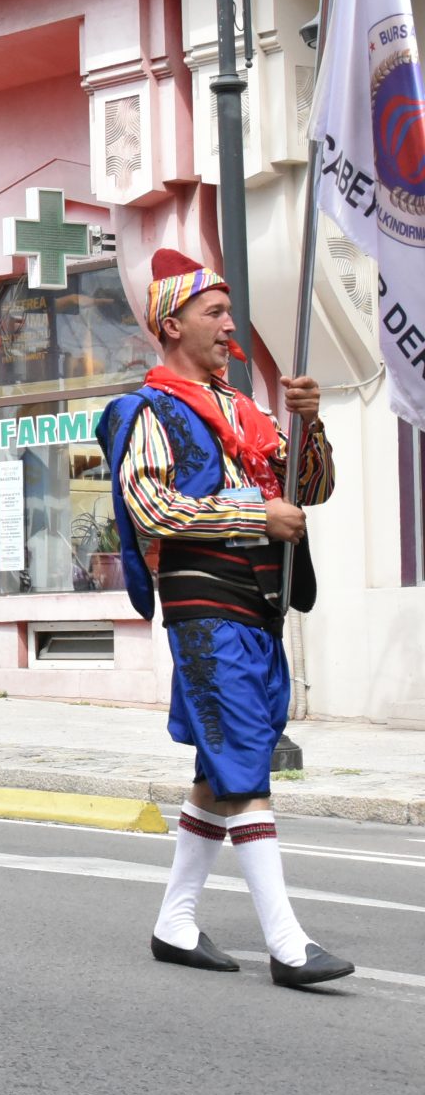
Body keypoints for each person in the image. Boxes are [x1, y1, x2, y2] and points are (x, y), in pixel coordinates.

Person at [101, 248, 349, 989]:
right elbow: (151, 507)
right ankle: (288, 944)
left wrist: (311, 425)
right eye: (214, 312)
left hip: (259, 604)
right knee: (244, 759)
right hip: (205, 605)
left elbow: (311, 488)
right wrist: (254, 514)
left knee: (221, 768)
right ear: (172, 325)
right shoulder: (146, 410)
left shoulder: (248, 408)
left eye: (229, 311)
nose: (229, 324)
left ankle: (174, 923)